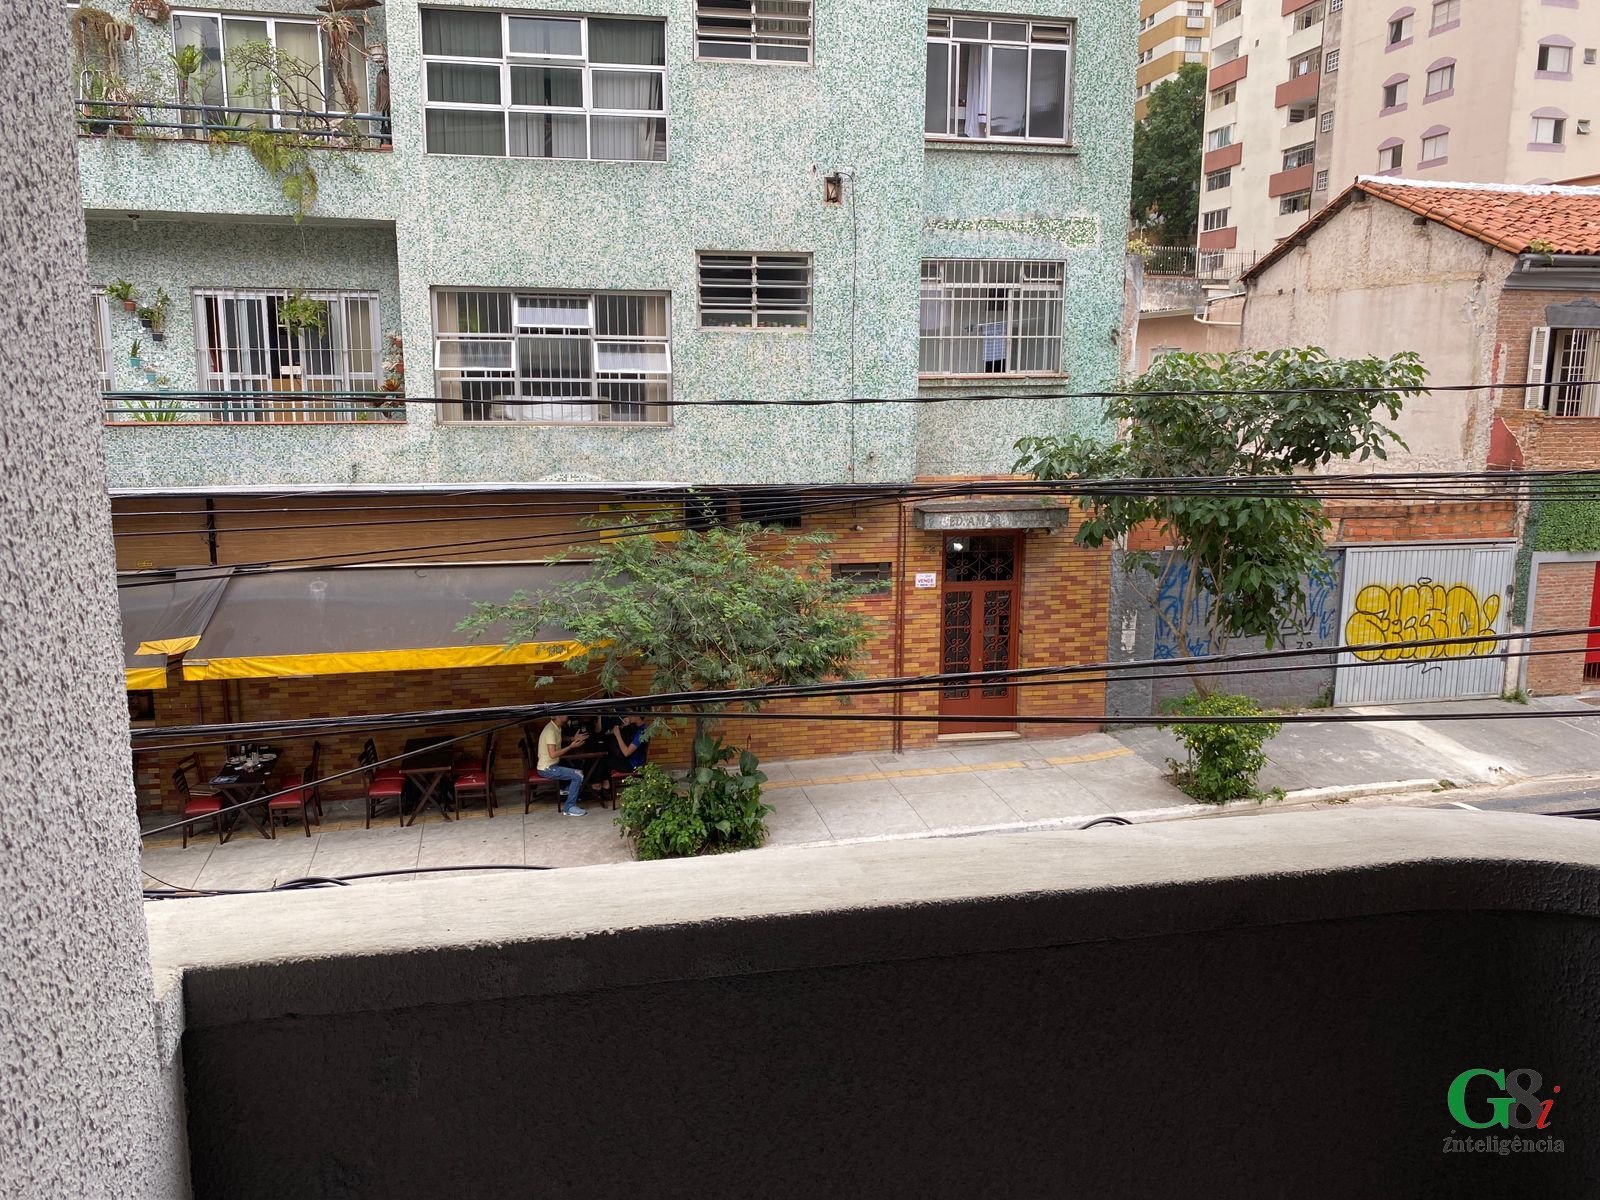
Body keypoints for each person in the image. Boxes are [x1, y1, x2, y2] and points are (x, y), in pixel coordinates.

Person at [537, 714, 590, 816]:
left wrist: (572, 738)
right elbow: (553, 754)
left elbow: (559, 739)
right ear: (557, 716)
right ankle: (569, 808)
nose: (567, 714)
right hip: (547, 769)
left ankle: (566, 789)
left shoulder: (556, 727)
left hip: (553, 765)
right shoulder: (550, 731)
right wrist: (571, 746)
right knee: (577, 775)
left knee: (577, 767)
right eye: (563, 713)